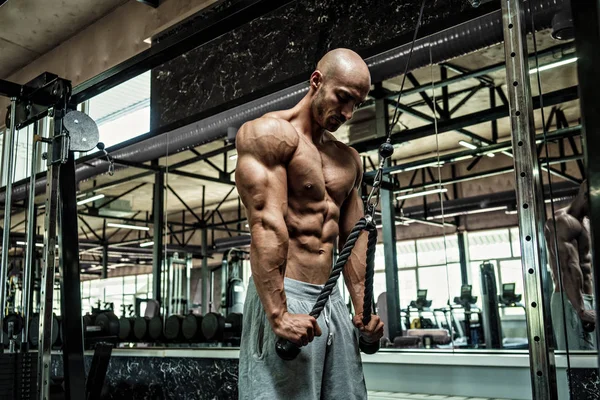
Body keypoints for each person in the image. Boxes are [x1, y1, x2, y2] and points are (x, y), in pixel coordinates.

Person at [235, 48, 384, 400]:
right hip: (285, 292)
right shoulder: (269, 136)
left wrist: (363, 312)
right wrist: (279, 314)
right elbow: (267, 225)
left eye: (356, 104)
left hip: (332, 301)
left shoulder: (348, 159)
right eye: (343, 98)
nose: (347, 113)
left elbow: (353, 237)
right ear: (317, 82)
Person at [544, 181, 596, 350]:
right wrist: (580, 310)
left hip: (588, 299)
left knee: (592, 364)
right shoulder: (562, 222)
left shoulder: (586, 223)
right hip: (571, 299)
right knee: (579, 366)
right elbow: (567, 266)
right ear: (587, 196)